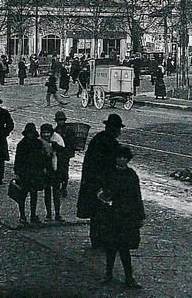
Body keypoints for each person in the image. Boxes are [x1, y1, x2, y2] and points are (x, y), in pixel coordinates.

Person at [77, 113, 125, 249]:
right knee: (104, 214)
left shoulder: (97, 138)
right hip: (103, 184)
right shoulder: (111, 143)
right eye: (118, 129)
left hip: (92, 182)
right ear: (114, 129)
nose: (119, 132)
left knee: (96, 214)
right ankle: (102, 241)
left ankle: (96, 240)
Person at [100, 145, 145, 289]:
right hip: (112, 214)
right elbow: (103, 193)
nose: (122, 160)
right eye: (119, 157)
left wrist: (140, 215)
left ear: (128, 159)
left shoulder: (132, 174)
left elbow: (137, 196)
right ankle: (108, 273)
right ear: (115, 158)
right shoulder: (109, 173)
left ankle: (129, 277)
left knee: (124, 247)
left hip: (127, 215)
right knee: (111, 246)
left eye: (125, 157)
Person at [13, 123, 46, 226]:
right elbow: (18, 160)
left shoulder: (37, 144)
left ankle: (32, 215)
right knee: (23, 195)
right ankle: (23, 216)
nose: (30, 135)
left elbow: (41, 158)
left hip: (34, 173)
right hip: (25, 173)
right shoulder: (22, 145)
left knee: (33, 194)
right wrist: (17, 172)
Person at [40, 123, 65, 222]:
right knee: (47, 192)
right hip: (46, 169)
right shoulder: (40, 142)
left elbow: (62, 153)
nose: (46, 135)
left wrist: (55, 146)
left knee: (56, 192)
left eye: (48, 133)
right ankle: (49, 213)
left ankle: (57, 213)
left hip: (56, 169)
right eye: (44, 133)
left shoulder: (57, 139)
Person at [54, 110, 72, 197]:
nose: (61, 122)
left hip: (65, 154)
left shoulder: (68, 130)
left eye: (62, 120)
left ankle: (64, 188)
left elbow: (71, 143)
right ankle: (58, 187)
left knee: (65, 171)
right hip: (58, 154)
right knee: (57, 171)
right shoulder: (55, 131)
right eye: (59, 120)